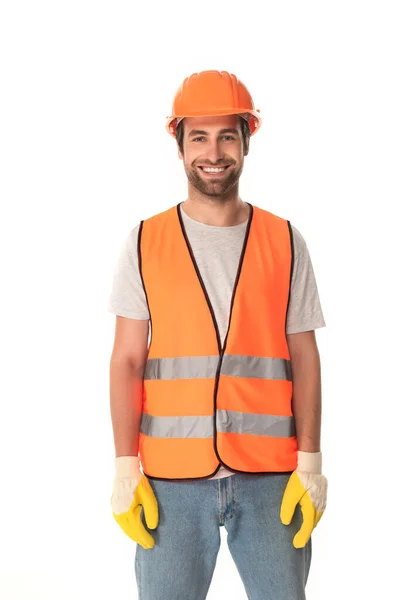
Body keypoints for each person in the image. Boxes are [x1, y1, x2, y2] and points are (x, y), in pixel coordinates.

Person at [108, 70, 328, 600]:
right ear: (179, 145)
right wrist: (123, 467)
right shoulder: (145, 241)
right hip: (169, 482)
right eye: (199, 137)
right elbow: (127, 361)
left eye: (227, 135)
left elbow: (305, 356)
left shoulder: (284, 239)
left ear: (247, 141)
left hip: (272, 478)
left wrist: (312, 463)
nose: (213, 151)